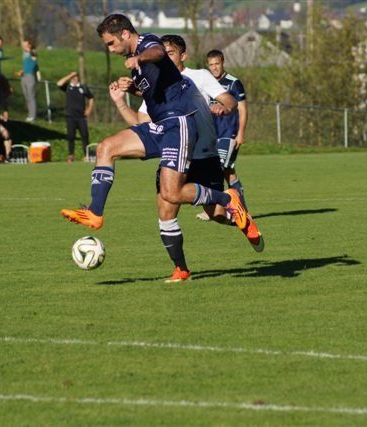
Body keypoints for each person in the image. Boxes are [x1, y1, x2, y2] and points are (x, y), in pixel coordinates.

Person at [60, 14, 260, 282]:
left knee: (174, 195)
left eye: (110, 43)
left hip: (179, 124)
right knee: (106, 147)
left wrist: (139, 59)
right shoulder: (140, 66)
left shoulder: (148, 45)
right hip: (161, 127)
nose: (110, 49)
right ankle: (95, 212)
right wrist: (130, 90)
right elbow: (154, 96)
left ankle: (228, 199)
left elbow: (156, 52)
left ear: (125, 34)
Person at [109, 34, 263, 272]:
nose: (163, 57)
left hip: (204, 155)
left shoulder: (199, 76)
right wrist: (122, 101)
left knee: (216, 214)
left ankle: (241, 219)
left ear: (183, 56)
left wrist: (223, 107)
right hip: (174, 154)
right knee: (165, 210)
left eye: (169, 53)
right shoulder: (155, 84)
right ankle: (181, 269)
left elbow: (231, 101)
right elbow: (142, 123)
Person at [206, 49, 251, 212]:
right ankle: (242, 211)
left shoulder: (234, 83)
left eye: (217, 64)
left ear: (223, 62)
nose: (214, 68)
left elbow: (243, 110)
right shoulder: (207, 82)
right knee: (228, 172)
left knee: (216, 169)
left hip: (229, 133)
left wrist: (241, 133)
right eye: (211, 65)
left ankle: (216, 209)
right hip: (211, 135)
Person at [57, 71, 94, 163]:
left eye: (76, 76)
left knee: (85, 135)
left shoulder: (83, 87)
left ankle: (86, 155)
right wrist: (70, 75)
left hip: (81, 116)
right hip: (70, 116)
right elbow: (59, 83)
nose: (74, 78)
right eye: (72, 77)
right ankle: (71, 155)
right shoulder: (67, 87)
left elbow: (91, 98)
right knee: (71, 136)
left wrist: (89, 109)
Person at [18, 39, 39, 122]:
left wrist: (29, 50)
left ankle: (33, 115)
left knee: (31, 96)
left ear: (29, 45)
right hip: (24, 76)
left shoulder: (33, 52)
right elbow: (26, 65)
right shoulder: (24, 53)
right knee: (26, 96)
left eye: (25, 44)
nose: (23, 46)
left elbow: (34, 60)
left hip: (30, 76)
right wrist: (21, 71)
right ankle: (29, 114)